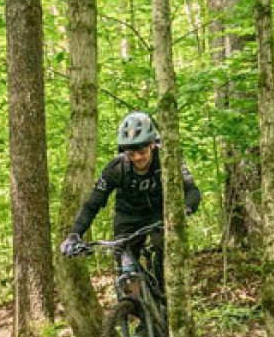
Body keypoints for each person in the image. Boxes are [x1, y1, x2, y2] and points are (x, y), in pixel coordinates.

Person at [60, 112, 200, 284]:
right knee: (125, 270)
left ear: (152, 145)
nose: (137, 158)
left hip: (160, 214)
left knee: (163, 248)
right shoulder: (116, 168)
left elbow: (192, 191)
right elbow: (92, 204)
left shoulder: (168, 160)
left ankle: (165, 298)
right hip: (128, 217)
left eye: (142, 151)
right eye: (131, 153)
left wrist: (183, 210)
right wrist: (74, 234)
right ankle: (129, 304)